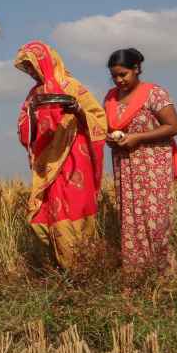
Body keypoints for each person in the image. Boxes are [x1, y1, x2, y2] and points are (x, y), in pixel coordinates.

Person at [14, 41, 107, 270]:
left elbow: (99, 120)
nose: (32, 72)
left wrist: (77, 111)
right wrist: (32, 117)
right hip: (48, 164)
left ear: (46, 62)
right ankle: (63, 267)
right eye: (28, 68)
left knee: (73, 208)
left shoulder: (72, 86)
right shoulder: (34, 94)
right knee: (46, 214)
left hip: (75, 160)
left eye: (34, 66)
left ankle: (80, 270)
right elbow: (25, 128)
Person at [104, 49, 177, 275]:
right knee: (131, 218)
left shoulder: (155, 94)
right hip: (125, 166)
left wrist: (137, 137)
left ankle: (166, 274)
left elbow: (173, 127)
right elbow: (109, 128)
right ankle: (137, 273)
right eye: (114, 76)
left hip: (153, 166)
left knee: (156, 218)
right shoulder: (110, 98)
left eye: (123, 74)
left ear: (136, 69)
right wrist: (112, 140)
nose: (119, 80)